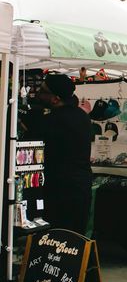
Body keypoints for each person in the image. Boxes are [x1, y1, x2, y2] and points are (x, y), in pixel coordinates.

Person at [36, 74, 92, 235]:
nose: (39, 94)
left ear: (55, 98)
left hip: (58, 188)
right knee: (75, 235)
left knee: (55, 234)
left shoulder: (52, 120)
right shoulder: (82, 117)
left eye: (43, 91)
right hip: (81, 185)